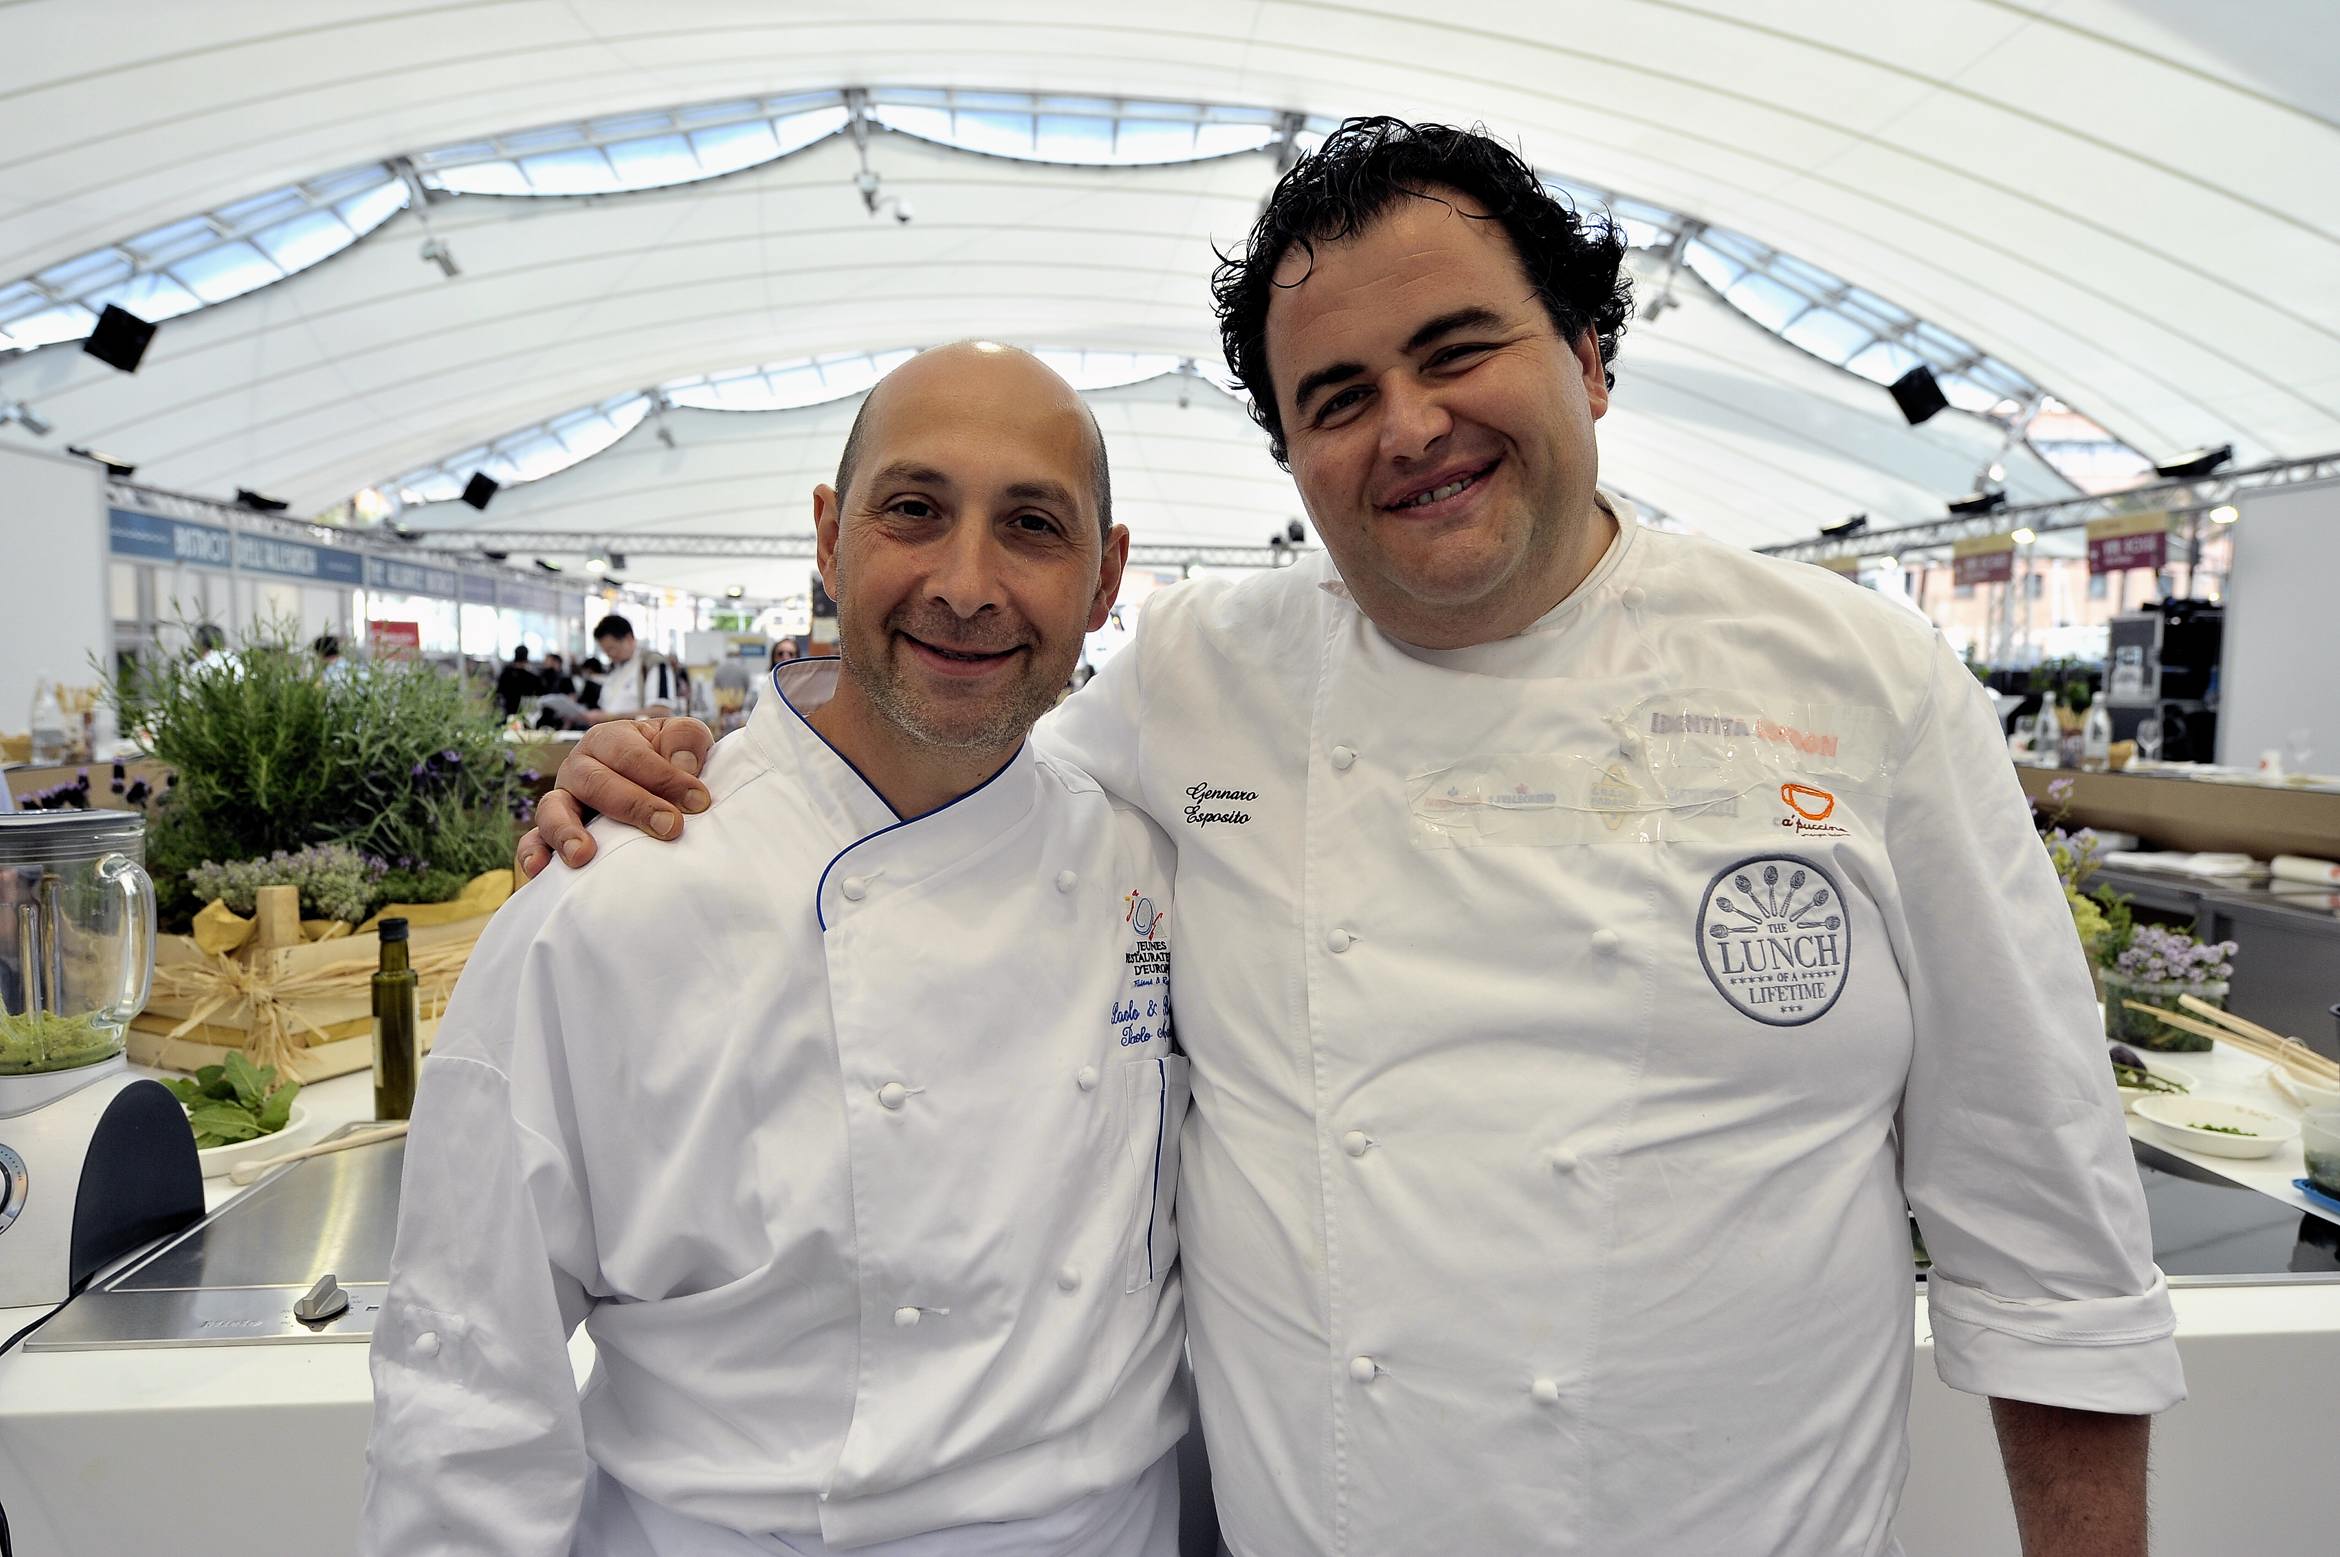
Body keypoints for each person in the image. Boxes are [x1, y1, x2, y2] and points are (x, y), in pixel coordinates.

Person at [525, 120, 2181, 1556]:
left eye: (1457, 351)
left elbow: (2048, 1253)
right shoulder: (1200, 677)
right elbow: (932, 779)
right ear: (1295, 460)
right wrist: (685, 781)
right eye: (1337, 396)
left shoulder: (1862, 684)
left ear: (1590, 357)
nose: (1408, 426)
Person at [362, 342, 1189, 1556]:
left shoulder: (1150, 861)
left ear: (1106, 576)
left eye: (1032, 525)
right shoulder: (604, 907)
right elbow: (467, 1393)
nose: (968, 586)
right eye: (915, 510)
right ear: (828, 539)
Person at [589, 613, 677, 723]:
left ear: (629, 639)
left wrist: (610, 717)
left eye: (612, 649)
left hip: (638, 731)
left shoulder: (652, 663)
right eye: (606, 651)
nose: (610, 655)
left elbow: (662, 711)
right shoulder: (616, 668)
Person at [494, 643, 541, 717]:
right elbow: (537, 694)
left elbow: (499, 691)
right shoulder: (531, 676)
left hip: (507, 709)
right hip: (525, 712)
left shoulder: (506, 672)